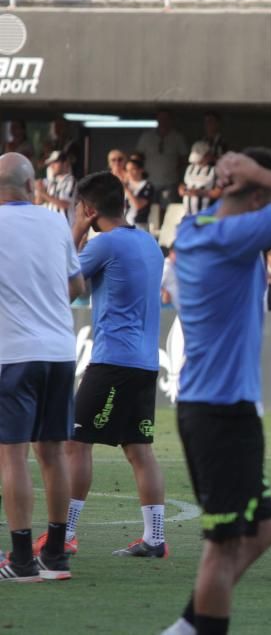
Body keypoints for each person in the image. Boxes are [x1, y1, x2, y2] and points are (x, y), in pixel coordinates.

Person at [164, 148, 271, 635]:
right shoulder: (233, 236)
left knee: (263, 531)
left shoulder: (197, 227)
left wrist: (245, 179)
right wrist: (255, 173)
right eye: (267, 195)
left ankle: (187, 627)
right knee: (224, 543)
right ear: (256, 196)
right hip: (220, 411)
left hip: (220, 406)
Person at [55, 171, 168, 559]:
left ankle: (64, 534)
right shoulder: (148, 243)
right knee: (139, 449)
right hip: (145, 362)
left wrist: (74, 232)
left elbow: (64, 281)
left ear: (88, 209)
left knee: (75, 442)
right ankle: (155, 538)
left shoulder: (105, 244)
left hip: (113, 361)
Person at [0, 152, 85, 582]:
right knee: (53, 453)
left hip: (13, 353)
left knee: (11, 453)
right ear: (33, 184)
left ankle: (19, 560)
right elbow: (77, 284)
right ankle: (55, 554)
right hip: (60, 350)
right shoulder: (55, 221)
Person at [135, 110, 187, 208]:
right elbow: (137, 157)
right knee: (150, 209)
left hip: (170, 182)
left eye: (166, 119)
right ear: (157, 119)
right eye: (161, 118)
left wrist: (181, 178)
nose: (164, 121)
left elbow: (184, 159)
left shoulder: (177, 137)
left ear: (171, 120)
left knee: (168, 210)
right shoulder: (147, 136)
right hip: (150, 181)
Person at [179, 141, 219, 217]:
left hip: (206, 216)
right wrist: (181, 188)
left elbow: (218, 193)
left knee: (205, 226)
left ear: (208, 156)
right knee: (184, 226)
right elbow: (183, 183)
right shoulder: (190, 168)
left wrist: (197, 192)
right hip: (188, 215)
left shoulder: (215, 170)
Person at [35, 151, 76, 224]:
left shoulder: (70, 180)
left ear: (65, 163)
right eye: (50, 163)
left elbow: (64, 204)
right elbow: (38, 202)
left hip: (65, 226)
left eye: (55, 162)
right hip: (51, 226)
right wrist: (39, 189)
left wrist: (43, 193)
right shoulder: (51, 182)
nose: (52, 166)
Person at [123, 154, 155, 231]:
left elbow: (138, 205)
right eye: (127, 170)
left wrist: (127, 189)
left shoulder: (147, 186)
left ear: (141, 170)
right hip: (124, 223)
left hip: (139, 225)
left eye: (133, 169)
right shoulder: (124, 185)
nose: (130, 173)